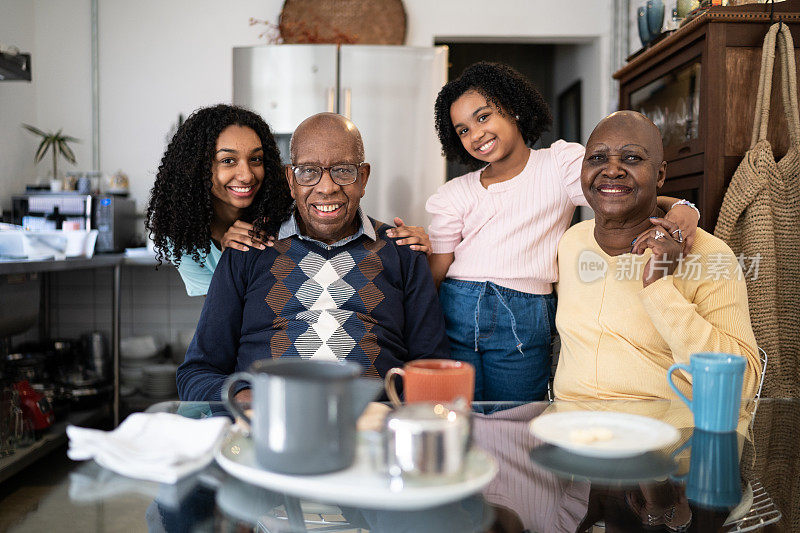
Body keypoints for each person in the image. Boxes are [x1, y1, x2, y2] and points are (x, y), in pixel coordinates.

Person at [425, 62, 701, 402]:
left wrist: (683, 208)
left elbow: (620, 190)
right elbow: (440, 263)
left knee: (517, 417)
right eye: (463, 130)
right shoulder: (454, 192)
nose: (476, 134)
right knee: (459, 413)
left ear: (513, 109)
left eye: (483, 117)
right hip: (457, 303)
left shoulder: (558, 165)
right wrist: (420, 314)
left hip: (523, 309)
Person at [177, 113, 449, 402]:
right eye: (308, 171)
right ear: (290, 180)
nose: (326, 187)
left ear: (364, 177)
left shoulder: (403, 252)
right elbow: (197, 374)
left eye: (343, 170)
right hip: (269, 429)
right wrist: (253, 404)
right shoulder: (248, 250)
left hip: (372, 433)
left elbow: (434, 372)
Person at [553, 111, 761, 401]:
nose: (612, 170)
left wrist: (660, 288)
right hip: (571, 432)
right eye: (598, 159)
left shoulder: (709, 255)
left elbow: (744, 385)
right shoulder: (570, 243)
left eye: (632, 158)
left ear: (660, 174)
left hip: (668, 436)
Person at [145, 104, 293, 296]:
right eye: (228, 161)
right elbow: (219, 317)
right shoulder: (182, 235)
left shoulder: (283, 216)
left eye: (256, 159)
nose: (247, 176)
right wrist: (229, 261)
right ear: (198, 167)